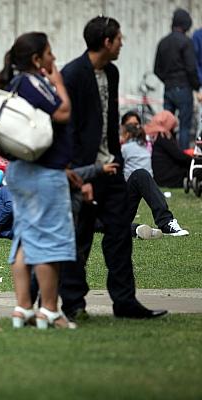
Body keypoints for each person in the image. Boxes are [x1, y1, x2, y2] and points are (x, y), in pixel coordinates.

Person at [60, 16, 167, 320]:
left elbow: (109, 121)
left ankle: (125, 302)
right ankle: (73, 303)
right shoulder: (73, 75)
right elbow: (70, 129)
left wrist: (116, 162)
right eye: (119, 38)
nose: (122, 43)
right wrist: (80, 173)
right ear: (107, 42)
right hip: (86, 173)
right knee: (80, 239)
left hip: (112, 169)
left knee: (119, 236)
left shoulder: (112, 72)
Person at [0, 32, 75, 329]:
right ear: (37, 59)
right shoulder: (32, 82)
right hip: (42, 172)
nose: (54, 59)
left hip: (23, 171)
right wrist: (59, 83)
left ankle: (23, 307)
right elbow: (63, 112)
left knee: (25, 237)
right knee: (49, 238)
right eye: (49, 53)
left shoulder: (15, 85)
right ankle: (49, 310)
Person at [120, 113, 189, 238]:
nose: (134, 127)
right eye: (131, 125)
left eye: (136, 124)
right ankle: (138, 229)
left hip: (118, 199)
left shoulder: (142, 143)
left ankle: (166, 222)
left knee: (141, 174)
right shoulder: (124, 146)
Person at [154, 8, 202, 151]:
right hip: (184, 88)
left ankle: (164, 153)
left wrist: (167, 81)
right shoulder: (186, 42)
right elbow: (191, 68)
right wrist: (196, 86)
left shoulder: (163, 42)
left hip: (168, 89)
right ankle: (182, 158)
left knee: (165, 125)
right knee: (184, 127)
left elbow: (157, 69)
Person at [146, 110, 192, 188]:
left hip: (161, 176)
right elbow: (179, 156)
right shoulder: (163, 136)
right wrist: (194, 160)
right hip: (168, 178)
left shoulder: (155, 135)